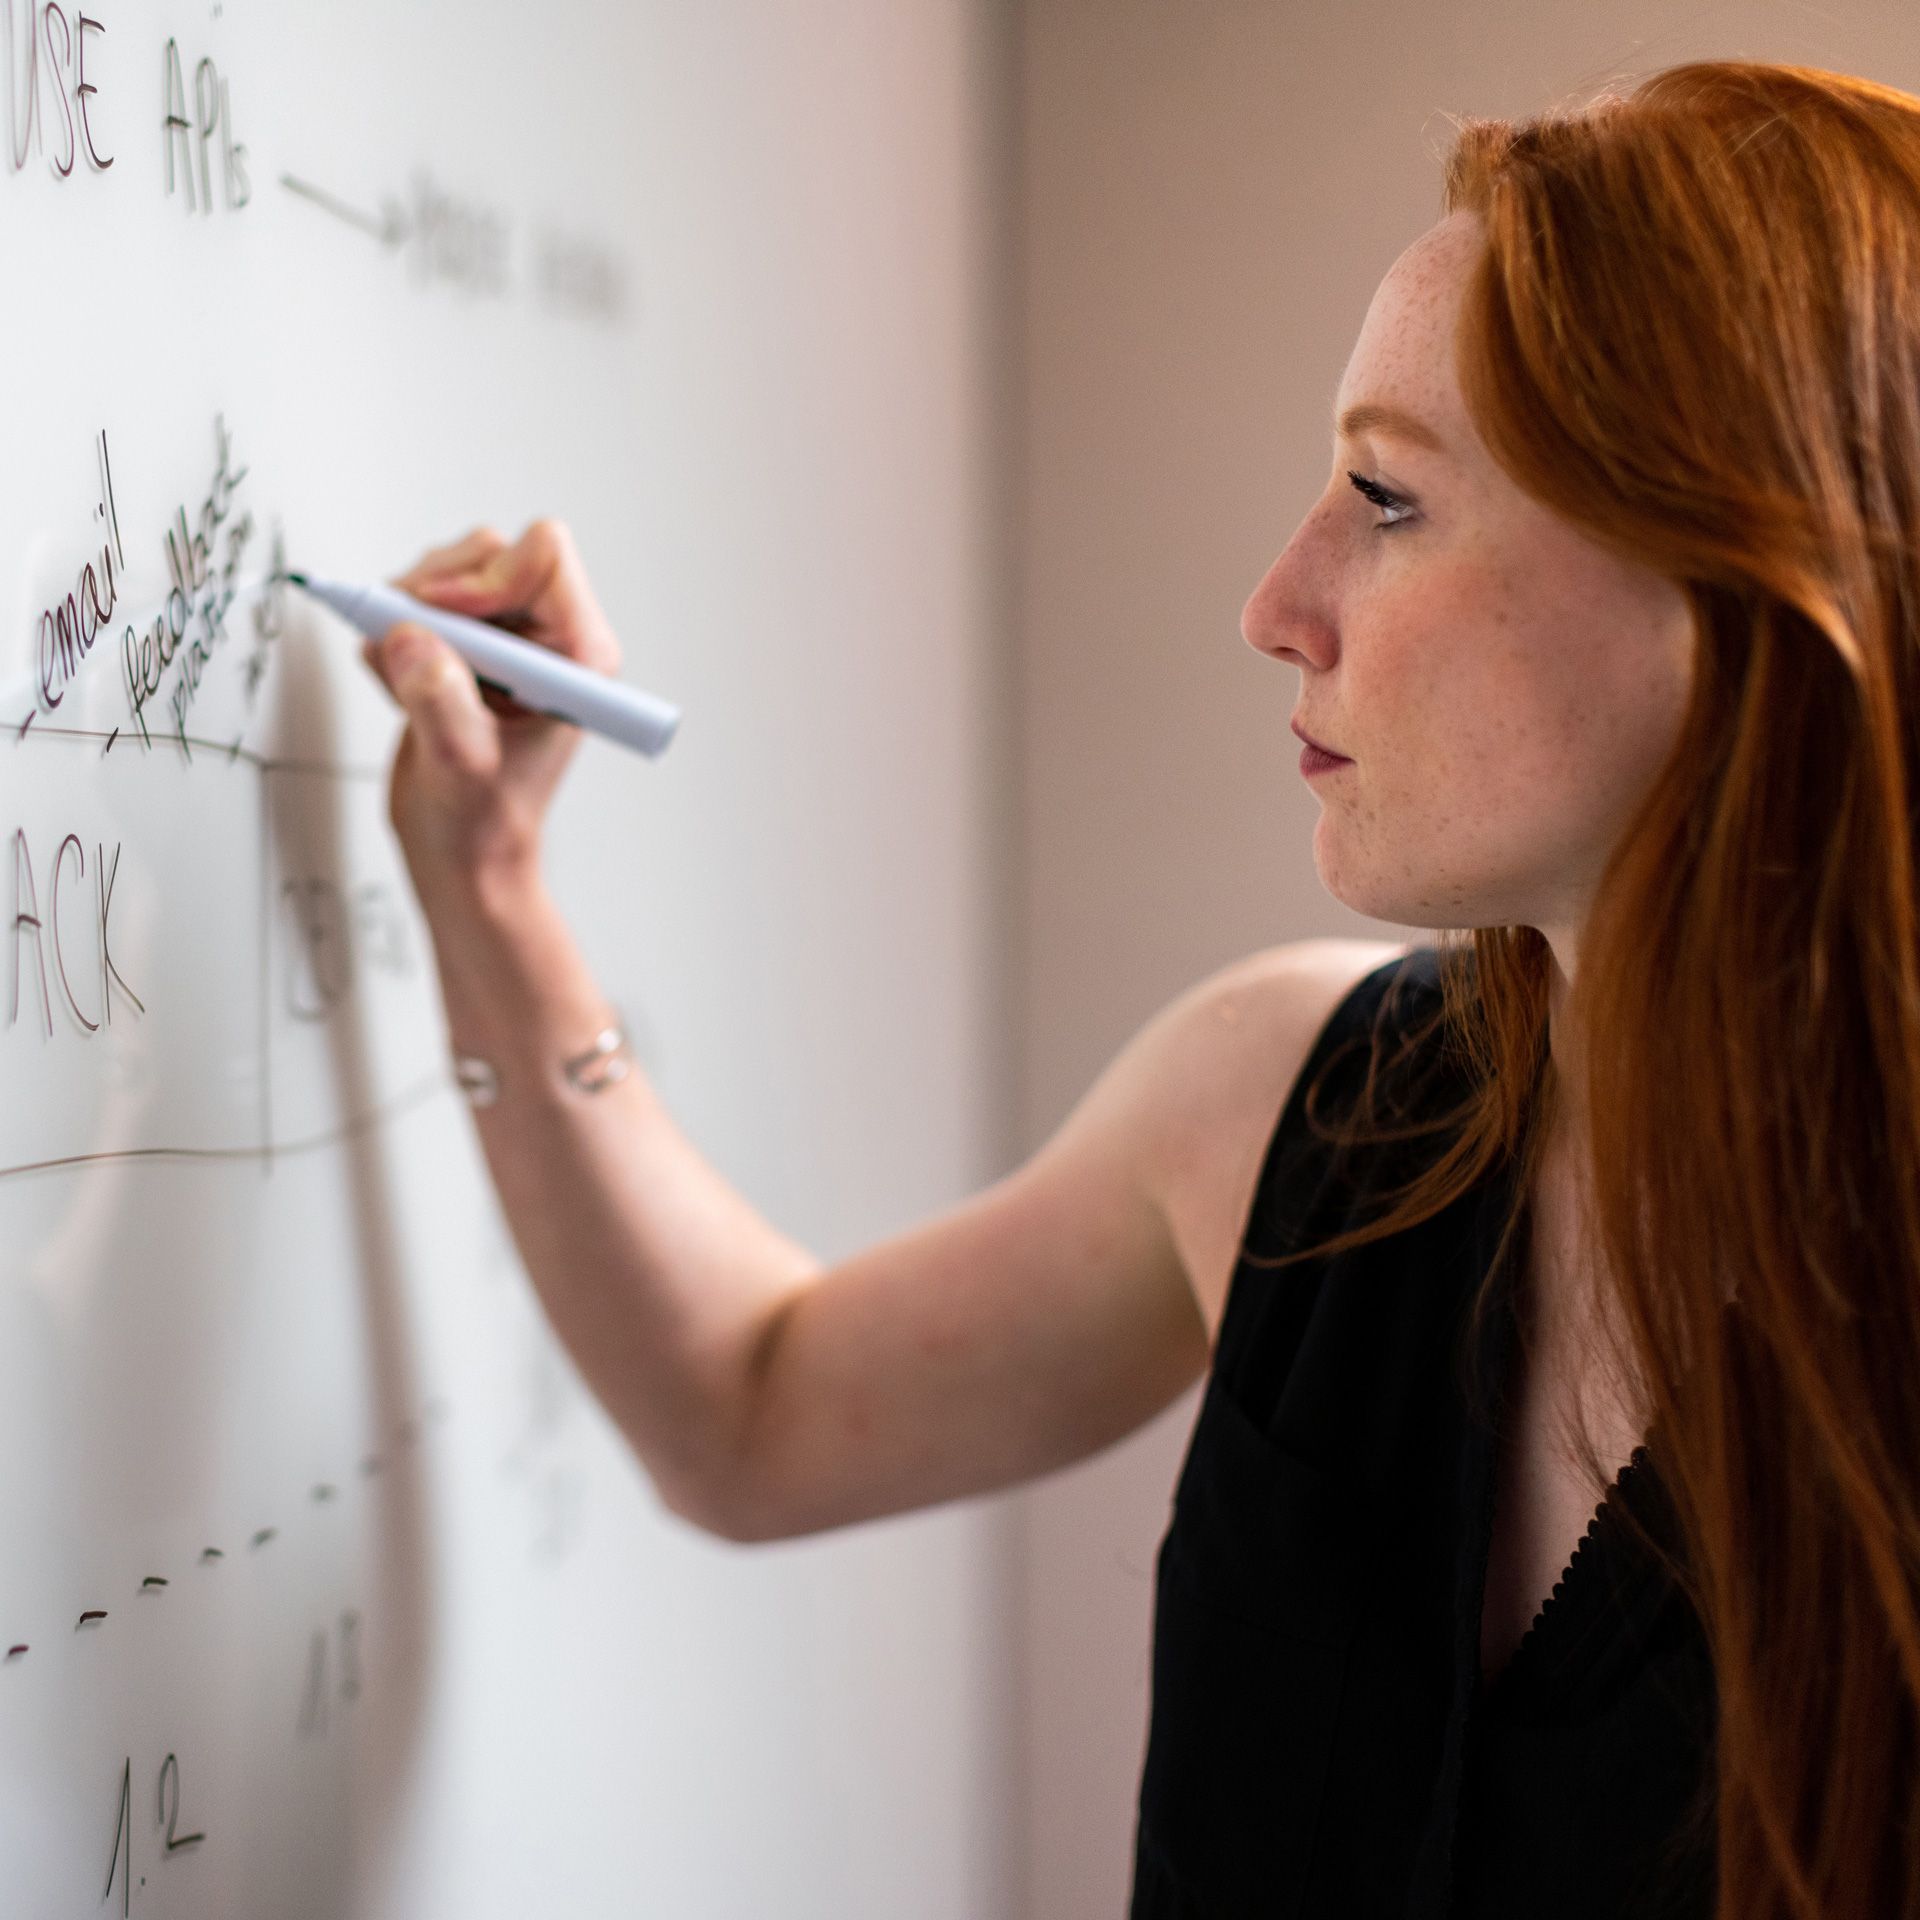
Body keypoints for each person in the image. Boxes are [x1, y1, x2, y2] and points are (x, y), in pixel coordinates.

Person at [362, 57, 1920, 1920]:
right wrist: (493, 884)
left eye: (1386, 496)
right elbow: (749, 1409)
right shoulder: (1297, 1106)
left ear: (1733, 585)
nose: (1277, 598)